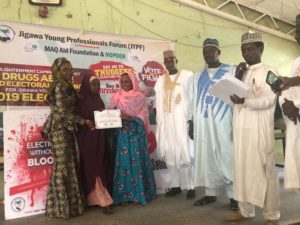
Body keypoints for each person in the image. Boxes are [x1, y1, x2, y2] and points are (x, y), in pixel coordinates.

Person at [227, 31, 280, 225]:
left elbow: (271, 98)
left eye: (250, 49)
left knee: (266, 173)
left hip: (260, 129)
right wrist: (238, 76)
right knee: (241, 170)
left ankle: (272, 215)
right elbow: (232, 98)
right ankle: (245, 211)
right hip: (241, 130)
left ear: (261, 49)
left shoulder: (270, 71)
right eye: (243, 50)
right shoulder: (240, 72)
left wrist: (246, 101)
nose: (246, 53)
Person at [186, 38, 238, 210]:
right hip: (203, 123)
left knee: (227, 155)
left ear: (218, 52)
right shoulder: (197, 76)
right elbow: (191, 101)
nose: (208, 54)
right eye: (205, 51)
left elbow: (238, 97)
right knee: (206, 156)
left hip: (223, 122)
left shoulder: (231, 70)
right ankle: (210, 194)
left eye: (211, 50)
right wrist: (191, 122)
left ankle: (234, 197)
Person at [42, 57, 94, 218]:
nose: (69, 72)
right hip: (59, 129)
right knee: (63, 167)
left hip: (66, 129)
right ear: (57, 72)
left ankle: (70, 207)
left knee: (68, 165)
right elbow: (63, 112)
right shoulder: (59, 86)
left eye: (70, 69)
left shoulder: (68, 86)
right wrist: (84, 121)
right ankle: (61, 208)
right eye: (65, 69)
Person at [109, 72, 156, 205]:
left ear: (133, 82)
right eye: (122, 82)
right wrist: (116, 115)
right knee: (124, 163)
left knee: (137, 163)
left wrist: (130, 118)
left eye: (127, 82)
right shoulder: (117, 97)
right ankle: (124, 196)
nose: (124, 84)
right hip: (123, 134)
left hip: (136, 133)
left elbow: (144, 116)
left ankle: (138, 194)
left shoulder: (140, 97)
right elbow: (110, 114)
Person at [154, 50, 195, 199]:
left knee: (185, 153)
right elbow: (157, 101)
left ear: (176, 60)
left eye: (172, 60)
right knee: (170, 153)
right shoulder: (160, 80)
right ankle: (176, 185)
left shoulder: (186, 76)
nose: (169, 63)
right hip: (166, 122)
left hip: (181, 121)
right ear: (164, 63)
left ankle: (191, 186)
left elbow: (191, 99)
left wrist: (191, 119)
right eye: (167, 61)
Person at [76, 74, 114, 214]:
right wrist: (87, 123)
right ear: (87, 85)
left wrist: (108, 117)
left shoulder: (99, 100)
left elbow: (104, 119)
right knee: (93, 168)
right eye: (94, 84)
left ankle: (100, 199)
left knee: (100, 166)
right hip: (87, 141)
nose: (97, 87)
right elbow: (78, 122)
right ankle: (102, 200)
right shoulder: (80, 102)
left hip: (99, 139)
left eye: (98, 84)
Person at [273, 14, 300, 190]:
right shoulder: (297, 62)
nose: (297, 34)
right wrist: (285, 103)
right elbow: (288, 90)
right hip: (296, 121)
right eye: (297, 29)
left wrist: (296, 106)